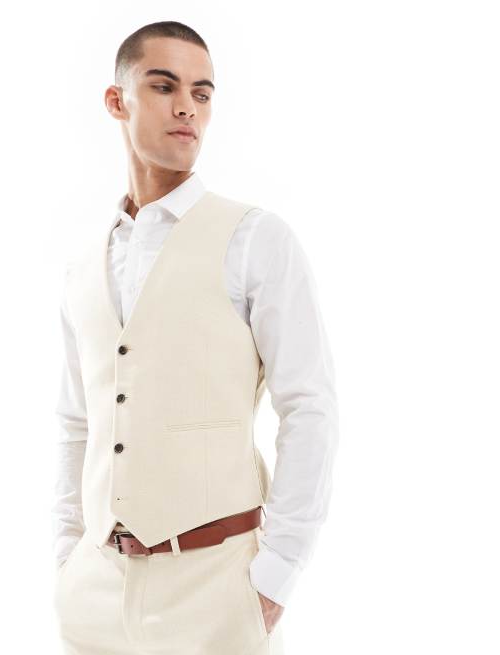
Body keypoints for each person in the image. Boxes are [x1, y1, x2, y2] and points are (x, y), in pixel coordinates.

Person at [51, 20, 339, 655]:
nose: (187, 106)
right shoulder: (83, 265)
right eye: (164, 86)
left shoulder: (255, 239)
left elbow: (309, 406)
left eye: (201, 93)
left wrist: (276, 575)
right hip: (95, 595)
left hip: (219, 590)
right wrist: (66, 559)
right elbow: (78, 423)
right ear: (116, 101)